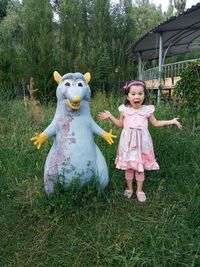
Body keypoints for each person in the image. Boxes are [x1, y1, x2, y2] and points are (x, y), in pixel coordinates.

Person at [98, 80, 182, 202]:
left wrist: (172, 121)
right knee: (129, 167)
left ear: (144, 95)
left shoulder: (147, 110)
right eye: (133, 94)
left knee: (139, 166)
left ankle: (139, 190)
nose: (137, 96)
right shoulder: (124, 110)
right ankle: (130, 188)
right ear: (127, 96)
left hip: (142, 144)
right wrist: (110, 116)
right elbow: (120, 124)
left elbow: (156, 123)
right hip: (127, 143)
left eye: (140, 93)